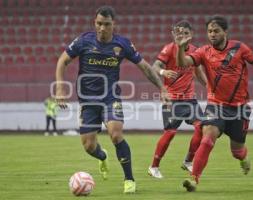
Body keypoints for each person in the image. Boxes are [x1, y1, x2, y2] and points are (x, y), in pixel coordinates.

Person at [55, 6, 169, 194]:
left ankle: (129, 179)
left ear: (113, 25)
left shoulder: (122, 44)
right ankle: (102, 156)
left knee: (115, 134)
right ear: (95, 23)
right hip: (87, 102)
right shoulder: (84, 41)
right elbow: (62, 61)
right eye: (99, 24)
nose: (102, 28)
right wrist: (60, 87)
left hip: (110, 98)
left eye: (106, 24)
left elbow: (146, 67)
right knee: (89, 146)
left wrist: (162, 88)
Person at [174, 15, 253, 192]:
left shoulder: (240, 48)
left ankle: (243, 158)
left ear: (225, 31)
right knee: (208, 136)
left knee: (237, 151)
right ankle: (194, 179)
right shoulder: (203, 51)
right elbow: (183, 62)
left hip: (240, 108)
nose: (212, 34)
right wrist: (180, 48)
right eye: (209, 31)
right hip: (216, 105)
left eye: (216, 31)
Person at [148, 20, 207, 179]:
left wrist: (210, 88)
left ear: (191, 35)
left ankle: (188, 161)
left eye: (186, 33)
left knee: (201, 128)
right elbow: (154, 67)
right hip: (172, 99)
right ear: (174, 35)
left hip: (190, 99)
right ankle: (153, 167)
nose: (183, 36)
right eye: (179, 34)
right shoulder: (168, 49)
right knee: (170, 133)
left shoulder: (195, 51)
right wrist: (163, 72)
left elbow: (199, 73)